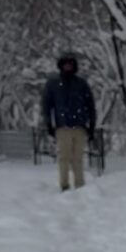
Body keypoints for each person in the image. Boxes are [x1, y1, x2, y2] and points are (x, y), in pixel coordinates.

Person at [42, 52, 96, 192]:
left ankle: (80, 186)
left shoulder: (81, 84)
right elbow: (47, 105)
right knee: (64, 157)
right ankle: (64, 185)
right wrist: (49, 124)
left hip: (80, 126)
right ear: (61, 66)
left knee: (78, 158)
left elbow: (90, 105)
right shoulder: (53, 84)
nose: (68, 66)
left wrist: (91, 125)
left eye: (70, 64)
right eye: (65, 64)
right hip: (62, 126)